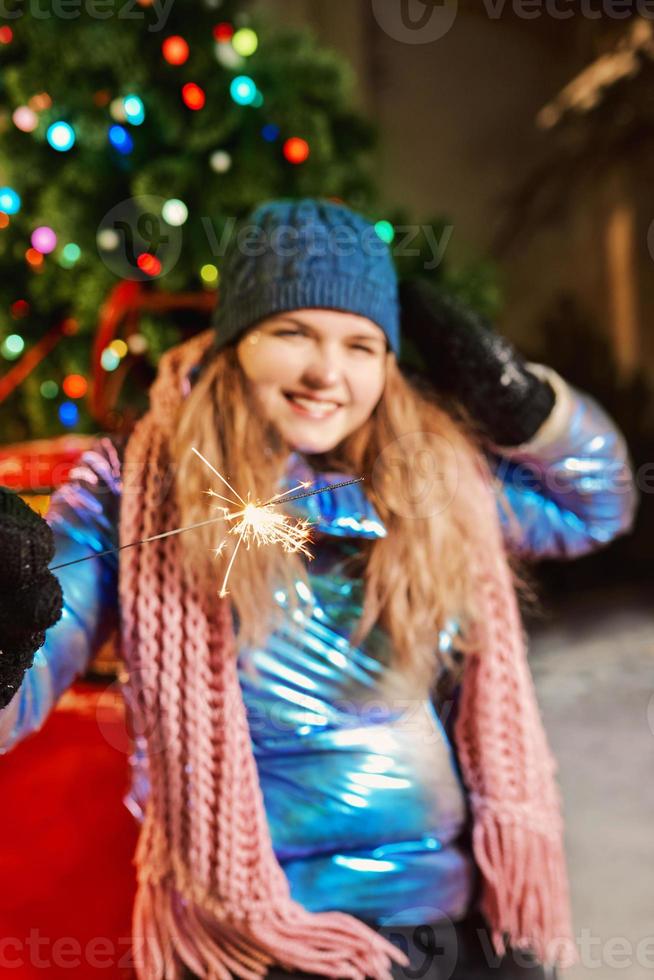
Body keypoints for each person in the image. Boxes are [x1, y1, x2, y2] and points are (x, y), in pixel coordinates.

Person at [0, 198, 638, 980]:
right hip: (268, 935)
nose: (327, 374)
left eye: (361, 344)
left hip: (447, 917)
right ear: (236, 342)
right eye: (293, 332)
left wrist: (529, 406)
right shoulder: (139, 486)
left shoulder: (434, 476)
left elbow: (596, 504)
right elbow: (26, 677)